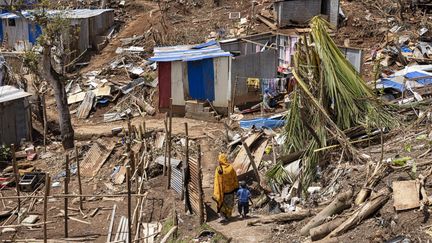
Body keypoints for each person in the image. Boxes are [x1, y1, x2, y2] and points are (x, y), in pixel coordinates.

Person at [213, 153, 239, 223]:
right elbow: (235, 178)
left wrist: (216, 191)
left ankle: (223, 217)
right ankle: (228, 216)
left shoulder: (219, 169)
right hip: (230, 190)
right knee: (229, 203)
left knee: (222, 203)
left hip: (221, 191)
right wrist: (236, 187)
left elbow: (217, 181)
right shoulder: (231, 168)